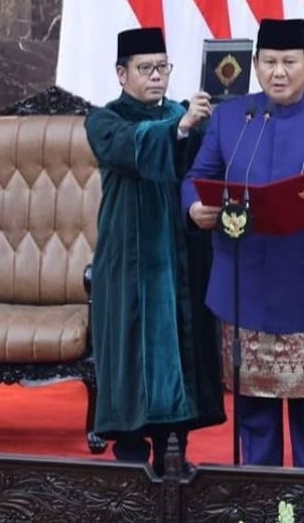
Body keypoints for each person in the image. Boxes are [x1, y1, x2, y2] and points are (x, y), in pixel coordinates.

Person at [182, 18, 304, 469]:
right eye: (269, 62)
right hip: (245, 285)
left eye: (289, 62)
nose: (279, 72)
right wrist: (194, 208)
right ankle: (259, 504)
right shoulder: (232, 117)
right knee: (255, 417)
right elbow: (196, 179)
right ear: (254, 66)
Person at [85, 26, 225, 475]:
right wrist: (179, 125)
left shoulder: (185, 116)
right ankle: (129, 466)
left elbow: (206, 167)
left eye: (163, 68)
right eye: (145, 69)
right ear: (121, 73)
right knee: (128, 355)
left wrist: (198, 123)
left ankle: (176, 456)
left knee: (184, 349)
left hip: (182, 254)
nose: (156, 77)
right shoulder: (104, 120)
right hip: (127, 260)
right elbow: (132, 146)